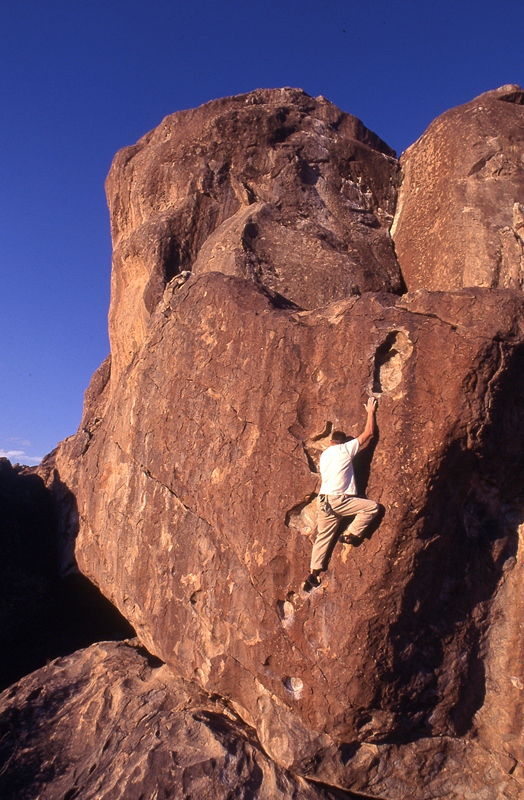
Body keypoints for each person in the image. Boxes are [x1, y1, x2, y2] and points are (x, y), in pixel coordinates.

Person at [304, 397, 379, 592]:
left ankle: (313, 574)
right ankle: (350, 534)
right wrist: (370, 412)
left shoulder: (325, 455)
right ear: (343, 442)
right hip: (337, 500)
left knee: (323, 537)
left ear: (330, 442)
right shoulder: (344, 450)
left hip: (323, 501)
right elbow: (369, 434)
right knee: (371, 508)